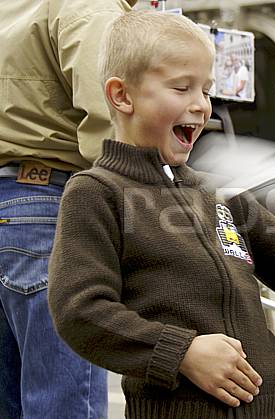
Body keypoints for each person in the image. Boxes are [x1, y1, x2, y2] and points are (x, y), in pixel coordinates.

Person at [47, 11, 275, 418]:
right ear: (122, 96)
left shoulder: (221, 194)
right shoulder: (96, 192)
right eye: (181, 87)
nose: (201, 105)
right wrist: (181, 352)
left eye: (206, 90)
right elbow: (80, 310)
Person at [0, 0, 135, 417]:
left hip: (11, 198)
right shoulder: (87, 6)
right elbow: (112, 122)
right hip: (48, 201)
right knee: (64, 403)